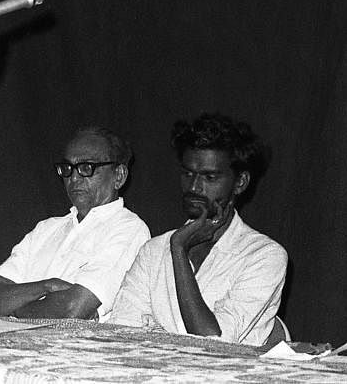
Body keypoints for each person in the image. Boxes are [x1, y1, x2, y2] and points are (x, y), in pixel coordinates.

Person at [108, 114, 286, 345]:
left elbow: (213, 341)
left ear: (240, 182)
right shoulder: (153, 251)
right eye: (187, 174)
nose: (194, 187)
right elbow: (120, 333)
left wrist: (179, 251)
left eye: (210, 177)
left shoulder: (264, 255)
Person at [0, 126, 150, 319]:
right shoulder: (47, 228)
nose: (74, 178)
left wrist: (14, 309)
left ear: (118, 176)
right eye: (67, 169)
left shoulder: (128, 229)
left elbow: (73, 309)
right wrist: (47, 286)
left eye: (86, 168)